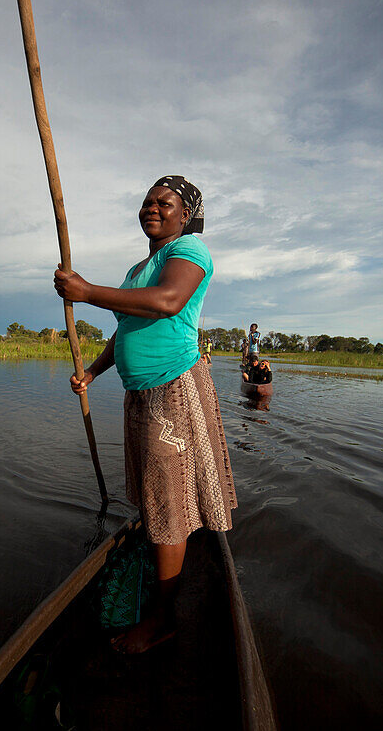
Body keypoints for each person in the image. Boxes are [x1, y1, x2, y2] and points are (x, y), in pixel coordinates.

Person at [53, 175, 236, 654]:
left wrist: (89, 292)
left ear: (186, 214)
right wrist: (93, 372)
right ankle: (166, 553)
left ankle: (162, 619)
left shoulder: (191, 251)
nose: (153, 207)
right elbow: (127, 327)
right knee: (158, 495)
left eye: (165, 202)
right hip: (140, 394)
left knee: (168, 503)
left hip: (173, 389)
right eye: (148, 201)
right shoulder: (140, 266)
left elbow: (167, 302)